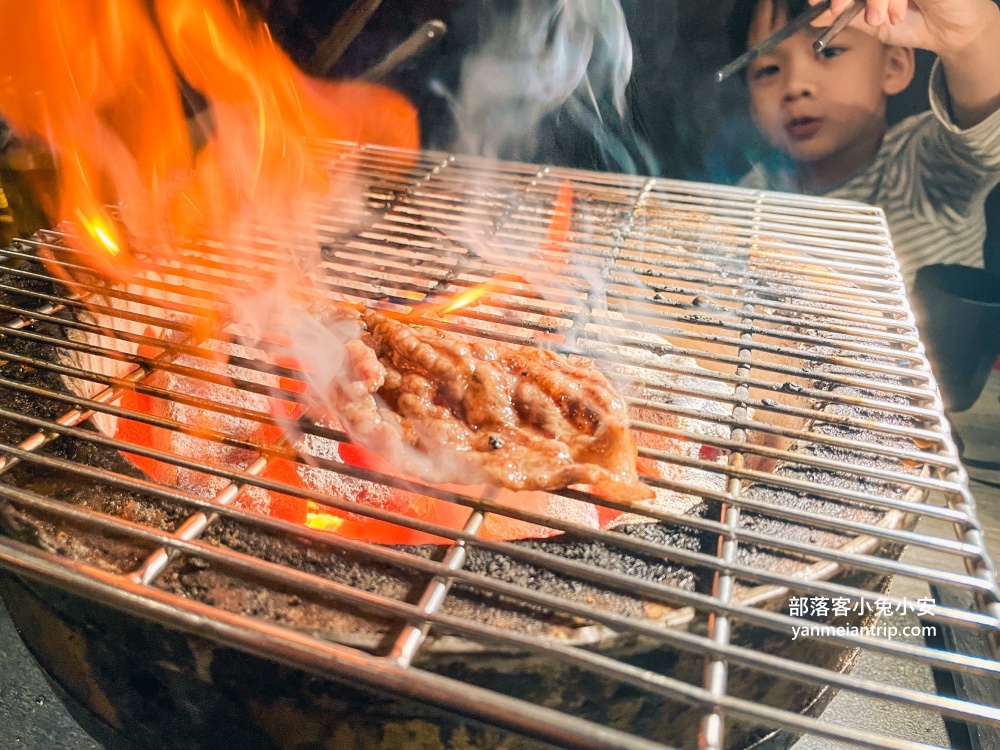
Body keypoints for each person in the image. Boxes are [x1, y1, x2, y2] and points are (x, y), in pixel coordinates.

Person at [727, 0, 1000, 289]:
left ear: (893, 66)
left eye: (829, 51)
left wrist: (969, 38)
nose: (795, 86)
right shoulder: (752, 195)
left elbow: (987, 142)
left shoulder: (921, 167)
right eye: (768, 70)